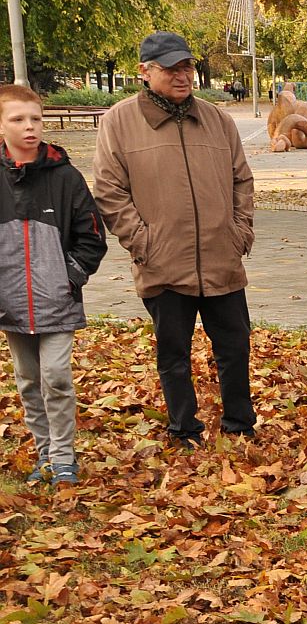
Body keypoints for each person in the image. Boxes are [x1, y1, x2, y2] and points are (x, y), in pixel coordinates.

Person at [94, 30, 257, 448]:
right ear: (145, 72)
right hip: (163, 261)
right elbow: (110, 191)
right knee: (173, 354)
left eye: (186, 66)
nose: (182, 75)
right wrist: (142, 242)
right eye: (171, 68)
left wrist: (240, 230)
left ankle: (240, 425)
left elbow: (242, 179)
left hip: (222, 257)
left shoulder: (217, 119)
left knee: (235, 348)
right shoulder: (119, 121)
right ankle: (184, 430)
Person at [0, 85, 106, 485]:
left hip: (56, 302)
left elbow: (92, 235)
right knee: (28, 381)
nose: (30, 127)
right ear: (1, 124)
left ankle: (64, 457)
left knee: (56, 377)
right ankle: (44, 453)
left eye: (36, 119)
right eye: (18, 119)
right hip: (10, 305)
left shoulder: (65, 177)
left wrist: (69, 277)